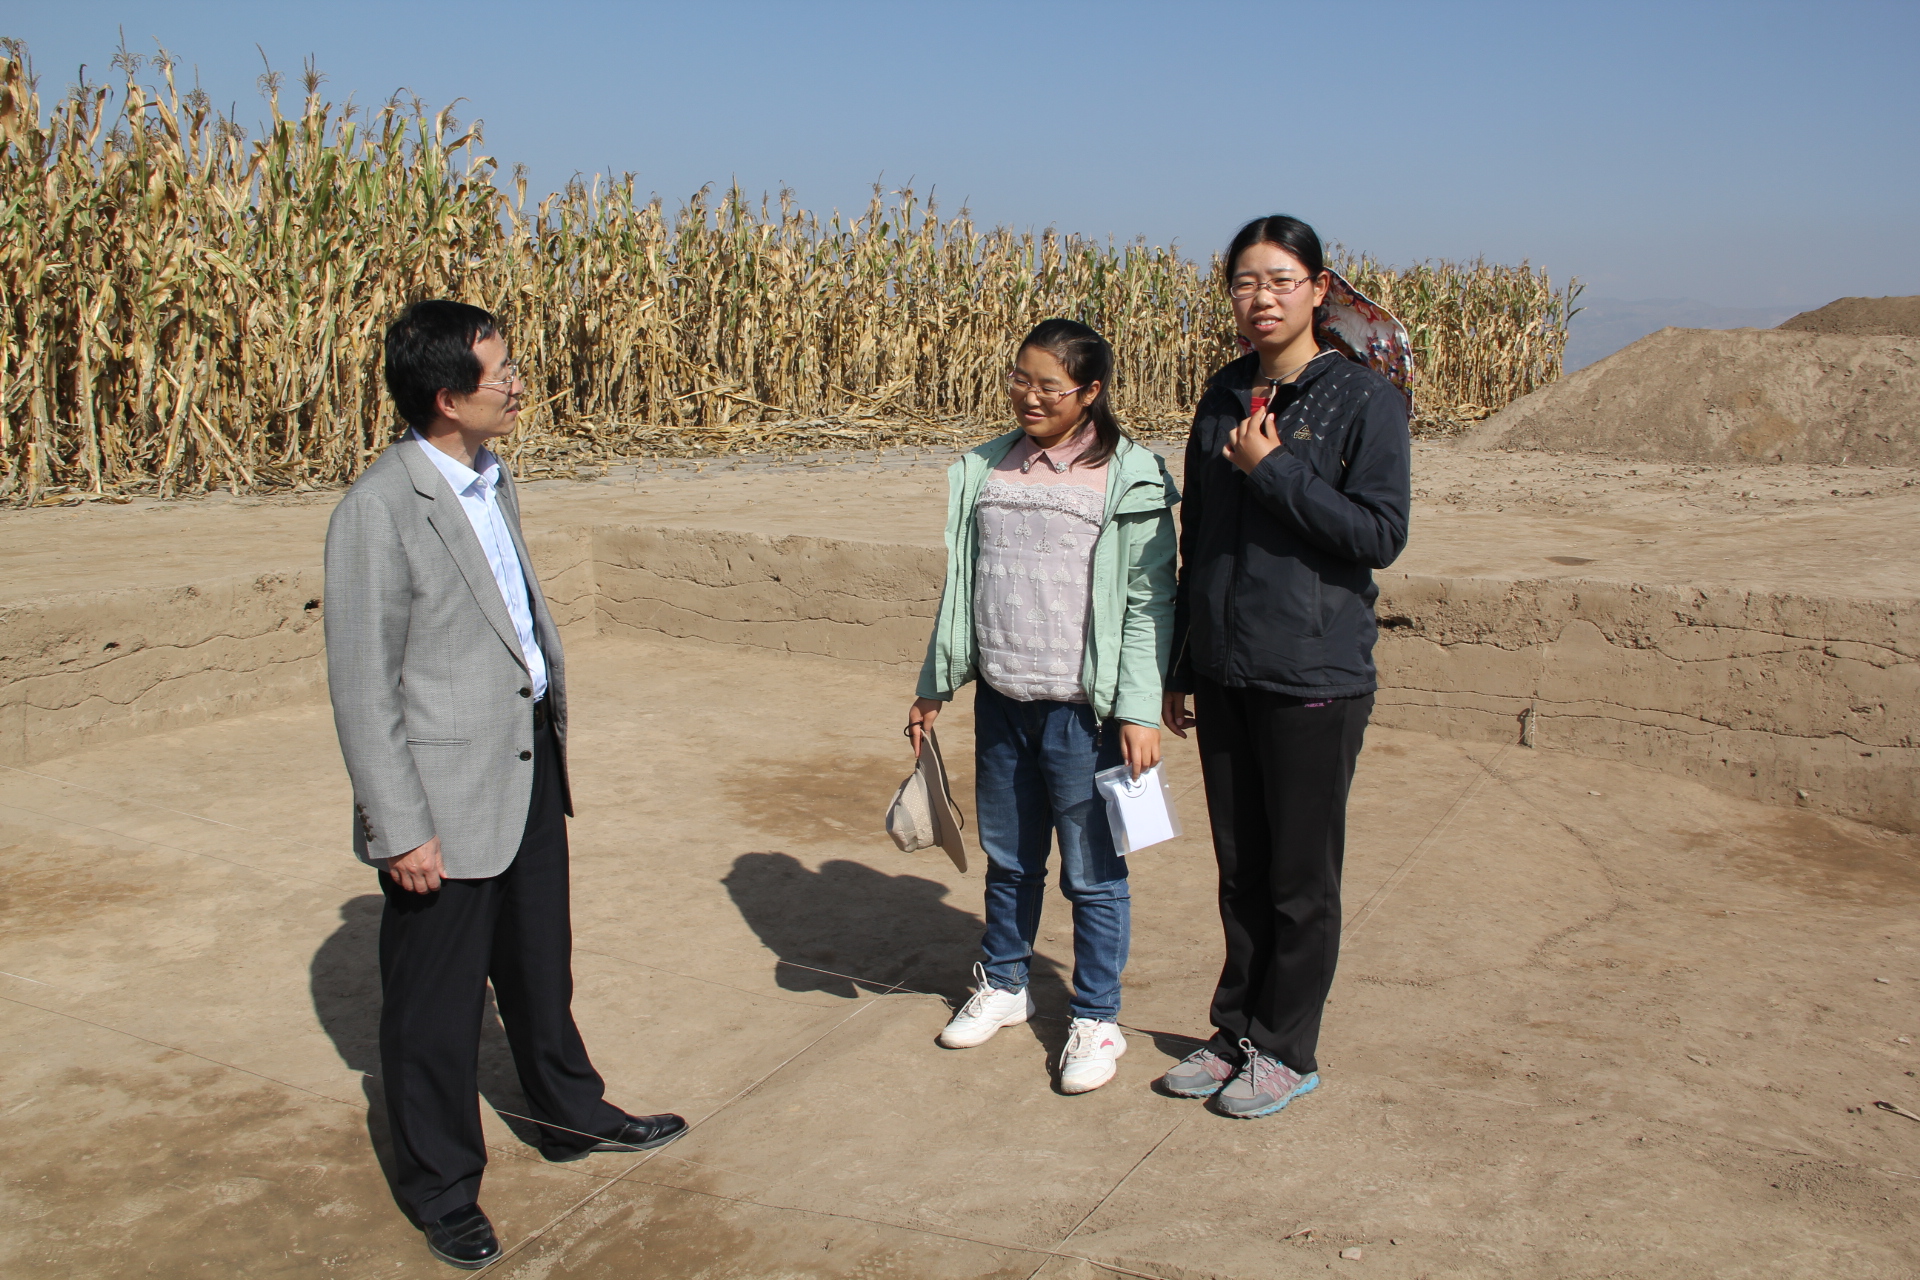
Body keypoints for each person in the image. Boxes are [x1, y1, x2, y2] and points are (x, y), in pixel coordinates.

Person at [324, 300, 685, 1269]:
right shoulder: (379, 510)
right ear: (447, 397)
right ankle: (442, 1188)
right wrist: (400, 827)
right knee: (435, 1010)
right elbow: (363, 687)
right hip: (441, 799)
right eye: (502, 373)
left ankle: (570, 1112)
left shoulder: (492, 476)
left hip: (526, 762)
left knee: (537, 964)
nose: (519, 384)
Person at [1156, 216, 1411, 1118]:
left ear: (1318, 289)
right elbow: (1198, 538)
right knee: (1241, 869)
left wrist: (1274, 471)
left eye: (1279, 280)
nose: (1259, 299)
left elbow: (1379, 534)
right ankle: (1235, 1031)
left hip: (1313, 673)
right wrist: (1182, 660)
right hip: (1226, 666)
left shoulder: (1362, 400)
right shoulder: (1224, 392)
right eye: (1243, 282)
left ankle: (1287, 1049)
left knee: (1301, 878)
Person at [907, 318, 1179, 1095]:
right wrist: (934, 685)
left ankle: (1096, 1016)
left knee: (1092, 874)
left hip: (1083, 716)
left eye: (1049, 386)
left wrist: (1139, 711)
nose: (1029, 397)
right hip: (1003, 700)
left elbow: (1148, 601)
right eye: (1020, 380)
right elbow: (963, 587)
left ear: (1090, 392)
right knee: (1011, 859)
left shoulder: (1129, 477)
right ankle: (1004, 983)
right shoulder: (987, 467)